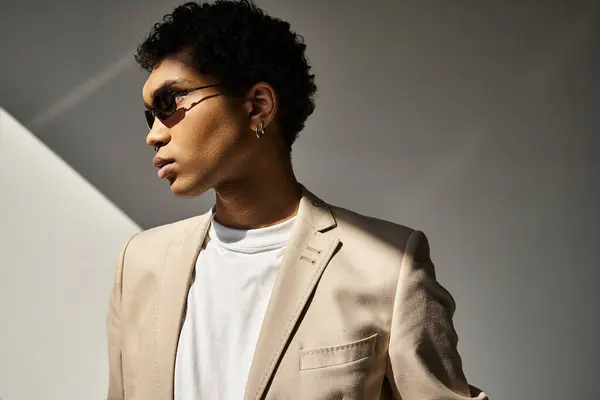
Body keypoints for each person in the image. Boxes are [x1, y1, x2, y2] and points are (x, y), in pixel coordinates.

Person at [106, 1, 488, 399]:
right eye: (150, 114)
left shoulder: (388, 267)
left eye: (170, 103)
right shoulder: (138, 264)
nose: (154, 133)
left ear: (257, 105)